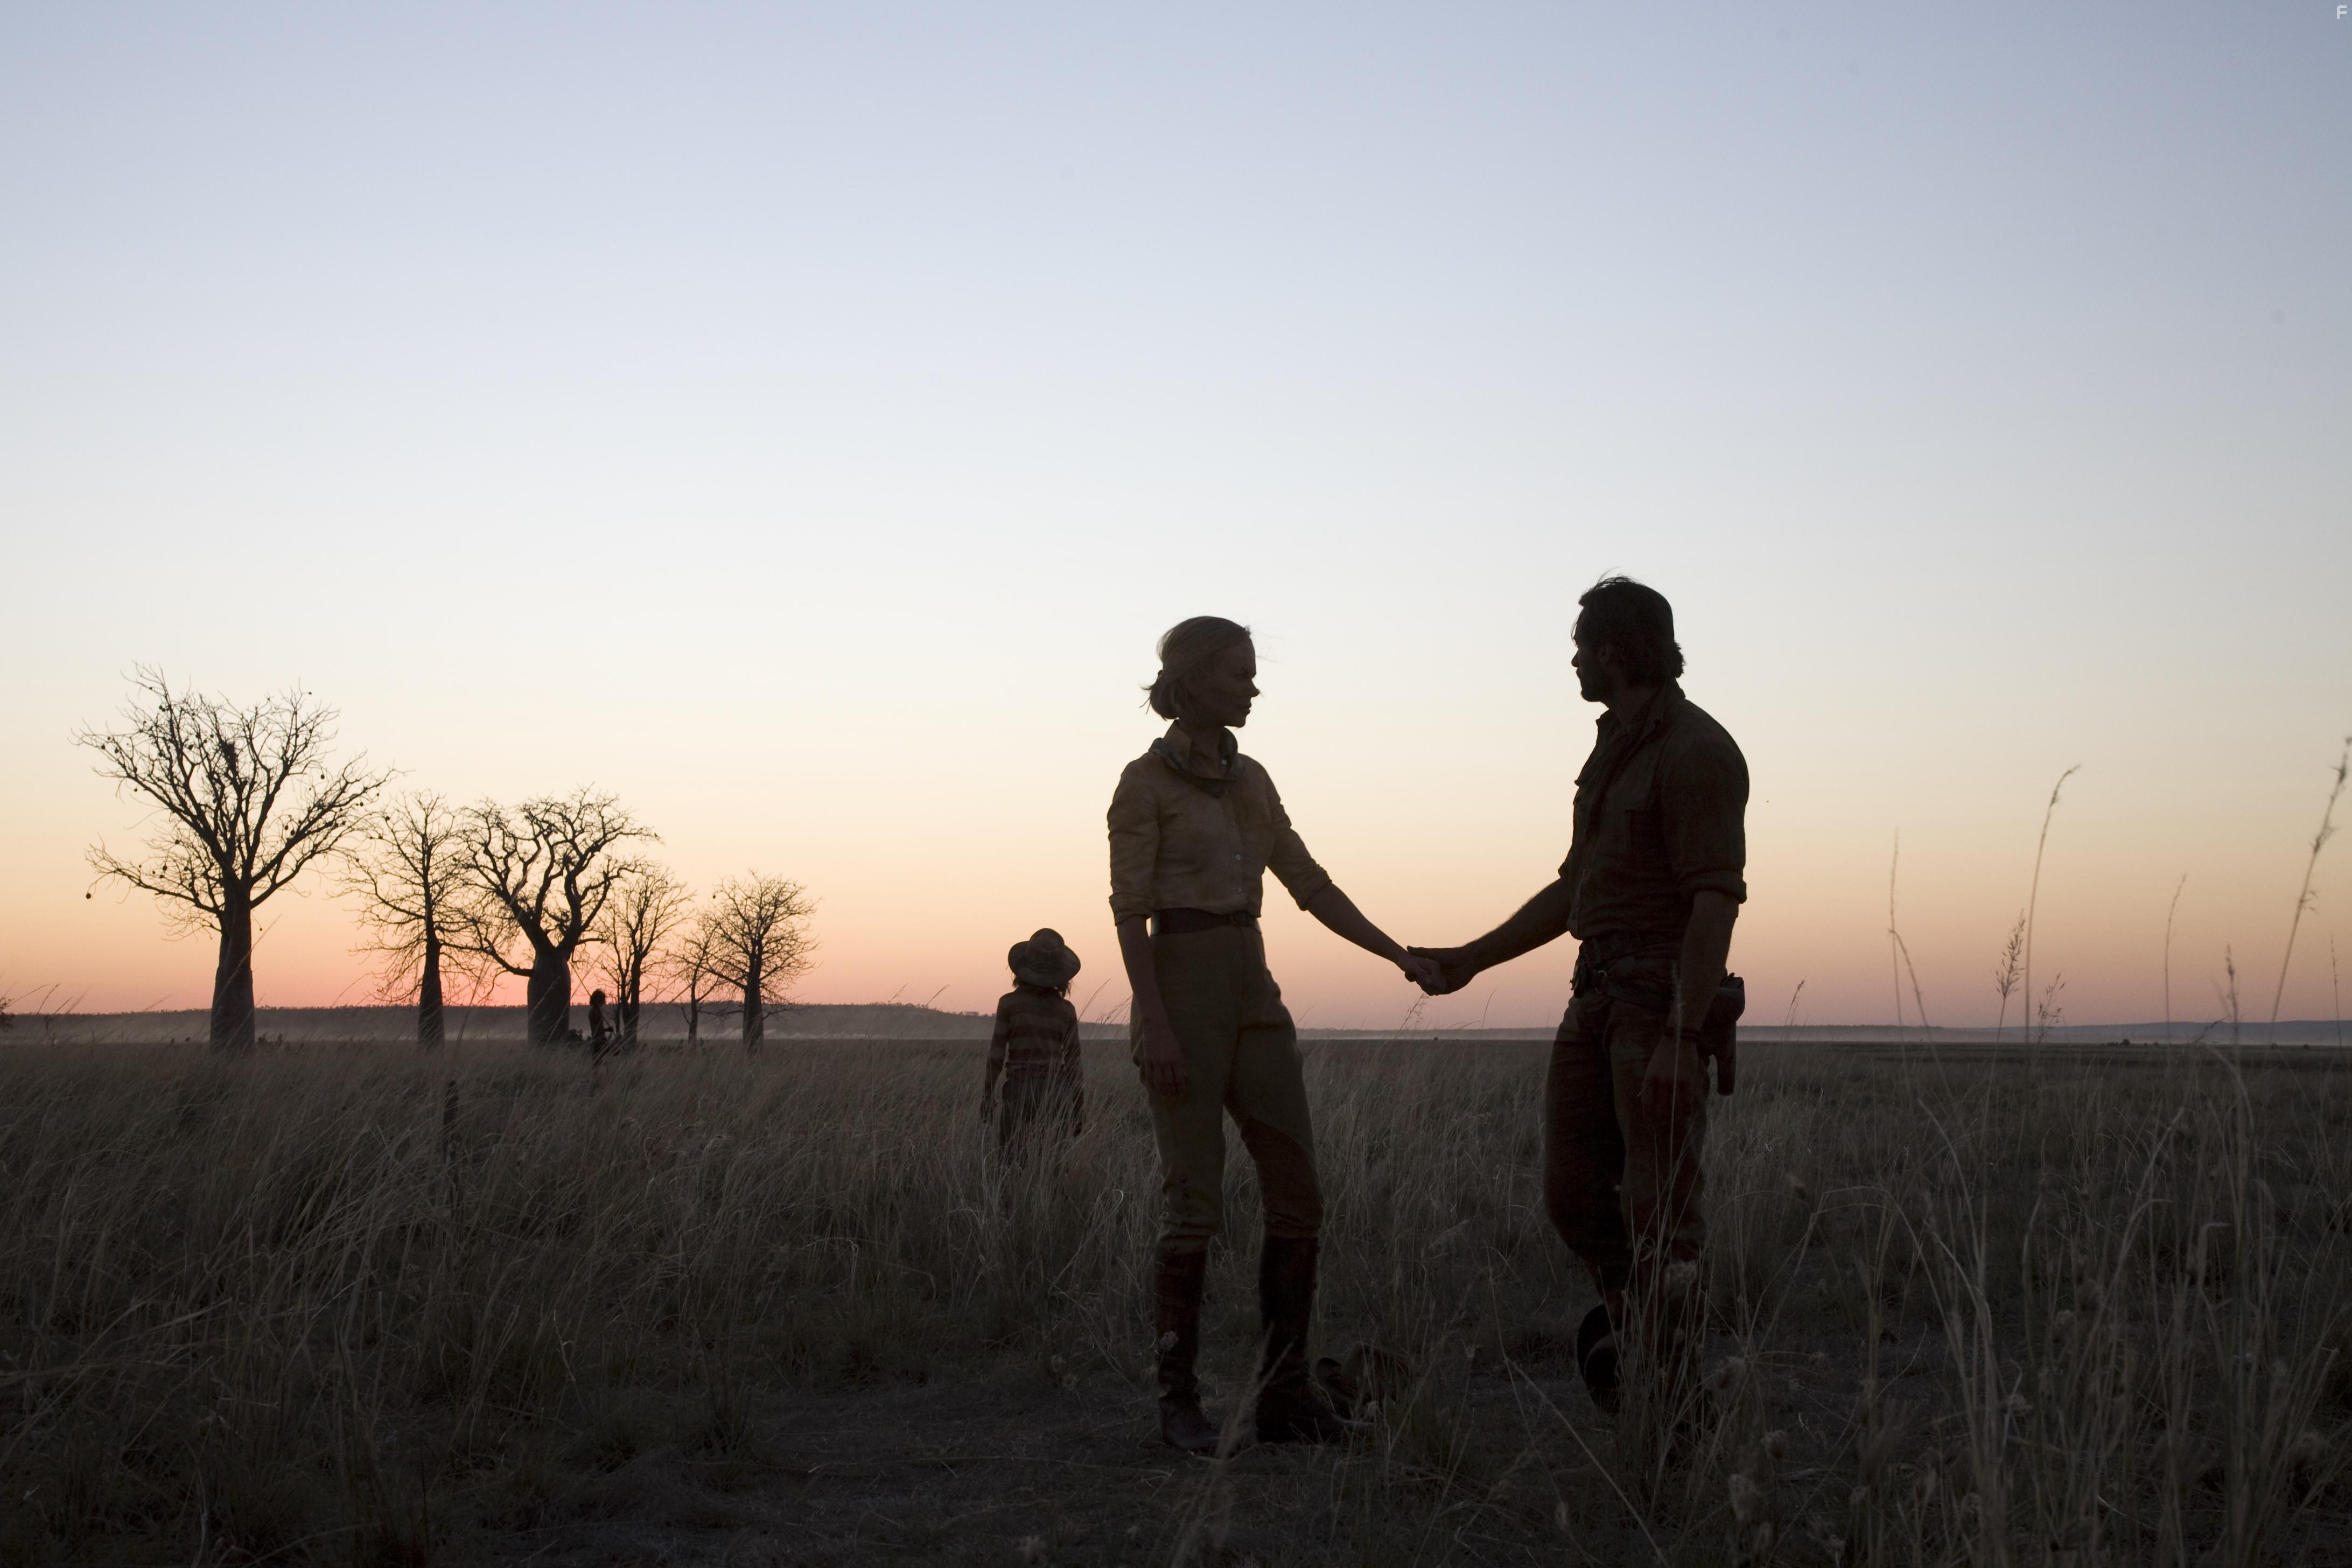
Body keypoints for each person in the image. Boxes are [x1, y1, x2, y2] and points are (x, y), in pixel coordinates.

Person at [1109, 615, 1444, 1453]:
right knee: (1194, 1206)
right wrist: (1153, 1022)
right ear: (1191, 683)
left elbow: (1308, 882)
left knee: (1299, 1194)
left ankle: (1285, 1397)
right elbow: (1128, 910)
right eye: (1238, 676)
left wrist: (1396, 953)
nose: (1253, 690)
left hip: (1253, 983)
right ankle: (1177, 1400)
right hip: (1179, 984)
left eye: (1254, 675)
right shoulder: (1142, 784)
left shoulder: (1254, 779)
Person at [1412, 577, 1747, 1413]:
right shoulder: (1611, 749)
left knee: (1661, 1207)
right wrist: (1472, 960)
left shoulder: (1698, 750)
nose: (1570, 660)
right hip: (1593, 996)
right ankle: (1638, 1340)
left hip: (1654, 1003)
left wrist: (1681, 1032)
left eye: (1578, 646)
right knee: (1572, 1197)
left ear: (1612, 650)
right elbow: (1576, 889)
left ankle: (1671, 1404)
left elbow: (1714, 901)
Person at [981, 929, 1085, 1156]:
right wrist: (1078, 1107)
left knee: (1010, 1160)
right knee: (1051, 1163)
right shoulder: (1066, 1010)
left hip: (1018, 1091)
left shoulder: (1009, 1004)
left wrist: (987, 1097)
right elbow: (1074, 1063)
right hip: (1055, 1093)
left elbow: (996, 1056)